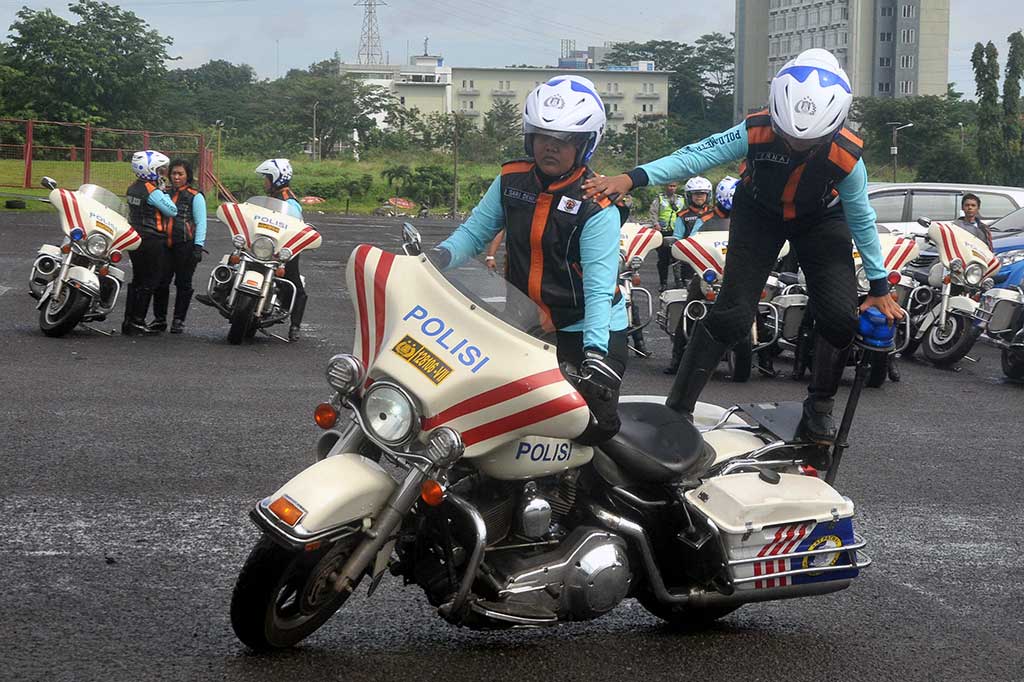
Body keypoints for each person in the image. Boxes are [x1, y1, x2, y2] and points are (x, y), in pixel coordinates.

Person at [583, 48, 903, 444]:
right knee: (732, 316)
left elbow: (861, 218)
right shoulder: (756, 129)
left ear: (833, 127)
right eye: (788, 136)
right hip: (759, 213)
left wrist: (879, 287)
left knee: (839, 318)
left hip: (822, 220)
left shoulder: (847, 156)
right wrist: (633, 177)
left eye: (809, 142)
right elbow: (696, 156)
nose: (795, 146)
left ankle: (819, 407)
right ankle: (678, 409)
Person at [434, 75, 627, 444]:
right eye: (541, 136)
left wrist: (595, 353)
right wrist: (436, 258)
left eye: (564, 139)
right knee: (491, 415)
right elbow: (474, 233)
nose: (550, 147)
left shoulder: (596, 203)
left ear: (585, 144)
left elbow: (599, 290)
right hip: (523, 321)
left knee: (588, 429)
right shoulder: (511, 180)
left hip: (585, 329)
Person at [662, 176, 740, 374]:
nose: (699, 197)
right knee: (690, 307)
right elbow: (691, 242)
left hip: (734, 272)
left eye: (702, 194)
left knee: (751, 305)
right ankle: (677, 358)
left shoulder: (743, 219)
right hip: (707, 272)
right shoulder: (703, 220)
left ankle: (765, 357)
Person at [123, 150, 177, 336]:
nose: (163, 173)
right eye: (160, 169)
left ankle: (128, 320)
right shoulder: (153, 191)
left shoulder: (132, 187)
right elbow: (172, 211)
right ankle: (138, 321)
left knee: (137, 279)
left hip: (136, 237)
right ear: (150, 170)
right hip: (153, 238)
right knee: (151, 280)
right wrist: (164, 192)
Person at [150, 159, 206, 334]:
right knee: (161, 282)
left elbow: (201, 222)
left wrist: (198, 246)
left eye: (180, 174)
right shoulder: (163, 192)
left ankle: (178, 320)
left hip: (185, 246)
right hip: (164, 246)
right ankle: (159, 319)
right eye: (173, 173)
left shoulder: (195, 196)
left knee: (183, 283)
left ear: (187, 175)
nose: (176, 177)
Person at [256, 158, 307, 342]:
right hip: (264, 244)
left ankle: (295, 326)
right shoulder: (268, 198)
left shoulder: (290, 202)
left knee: (293, 283)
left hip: (284, 248)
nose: (264, 182)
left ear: (275, 178)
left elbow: (297, 226)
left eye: (266, 178)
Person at [648, 182, 686, 291]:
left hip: (677, 232)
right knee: (663, 259)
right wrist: (656, 224)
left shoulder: (681, 199)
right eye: (670, 186)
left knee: (678, 258)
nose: (672, 188)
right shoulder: (660, 198)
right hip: (663, 232)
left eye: (674, 186)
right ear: (665, 186)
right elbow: (653, 212)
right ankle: (663, 283)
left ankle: (679, 282)